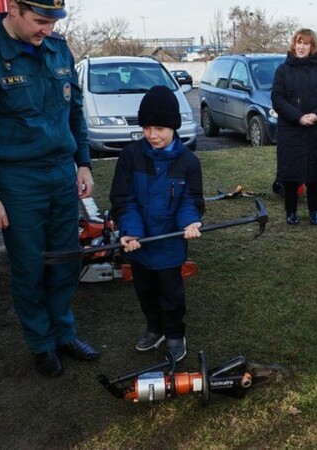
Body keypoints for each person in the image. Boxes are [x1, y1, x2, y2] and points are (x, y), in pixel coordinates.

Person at [0, 0, 99, 378]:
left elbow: (75, 111)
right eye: (40, 21)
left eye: (52, 22)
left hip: (62, 172)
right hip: (17, 179)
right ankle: (42, 345)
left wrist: (83, 162)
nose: (46, 30)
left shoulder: (57, 47)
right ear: (12, 8)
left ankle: (65, 333)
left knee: (66, 258)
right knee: (30, 266)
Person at [109, 86, 204, 363]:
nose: (152, 135)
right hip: (138, 245)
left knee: (171, 295)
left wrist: (190, 222)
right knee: (146, 292)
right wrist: (131, 231)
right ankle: (155, 329)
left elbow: (191, 199)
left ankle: (175, 334)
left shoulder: (188, 162)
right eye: (147, 127)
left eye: (160, 128)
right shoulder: (130, 156)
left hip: (170, 243)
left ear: (173, 126)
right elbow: (123, 199)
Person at [271, 28, 317, 226]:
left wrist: (316, 115)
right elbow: (277, 99)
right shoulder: (283, 70)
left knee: (314, 175)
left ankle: (314, 211)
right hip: (290, 130)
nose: (301, 46)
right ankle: (291, 212)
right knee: (290, 174)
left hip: (314, 130)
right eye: (299, 42)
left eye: (306, 43)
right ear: (293, 44)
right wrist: (299, 117)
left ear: (312, 46)